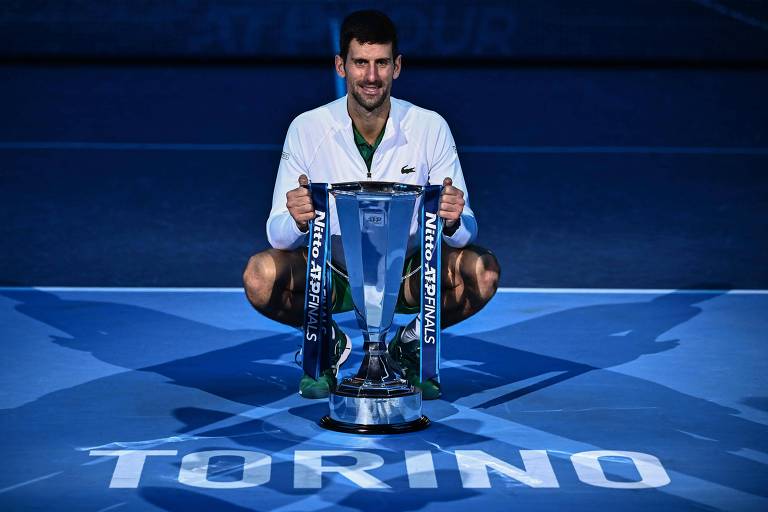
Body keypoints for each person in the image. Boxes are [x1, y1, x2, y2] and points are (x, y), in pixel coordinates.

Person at [243, 10, 500, 400]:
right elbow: (276, 235)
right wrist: (295, 220)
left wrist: (452, 220)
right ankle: (325, 339)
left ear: (397, 67)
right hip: (333, 274)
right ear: (341, 66)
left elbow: (466, 229)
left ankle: (410, 343)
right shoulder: (306, 128)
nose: (371, 76)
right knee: (260, 277)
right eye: (360, 63)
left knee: (482, 273)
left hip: (411, 276)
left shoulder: (431, 127)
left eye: (381, 63)